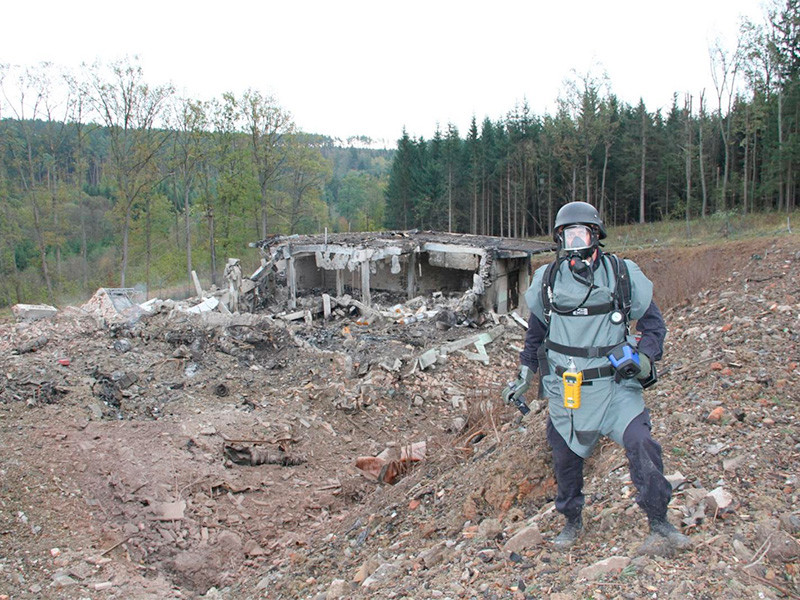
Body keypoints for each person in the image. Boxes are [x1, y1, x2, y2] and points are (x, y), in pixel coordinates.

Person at [502, 201, 690, 554]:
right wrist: (525, 376)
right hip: (567, 390)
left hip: (616, 387)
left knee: (641, 443)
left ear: (595, 236)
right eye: (567, 234)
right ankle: (571, 521)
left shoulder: (622, 274)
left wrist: (645, 359)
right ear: (559, 239)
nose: (574, 241)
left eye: (581, 233)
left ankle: (659, 521)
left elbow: (654, 326)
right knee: (564, 456)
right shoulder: (548, 282)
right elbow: (534, 338)